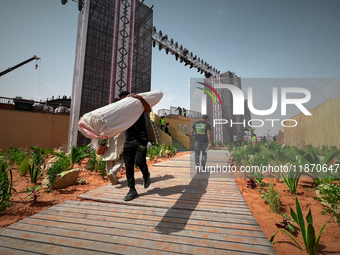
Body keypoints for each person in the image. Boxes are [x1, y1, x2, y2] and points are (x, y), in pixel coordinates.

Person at [118, 91, 151, 201]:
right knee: (128, 166)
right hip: (129, 140)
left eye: (126, 99)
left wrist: (140, 98)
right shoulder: (122, 111)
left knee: (140, 161)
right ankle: (132, 189)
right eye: (122, 100)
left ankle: (146, 175)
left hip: (141, 139)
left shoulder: (138, 106)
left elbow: (148, 109)